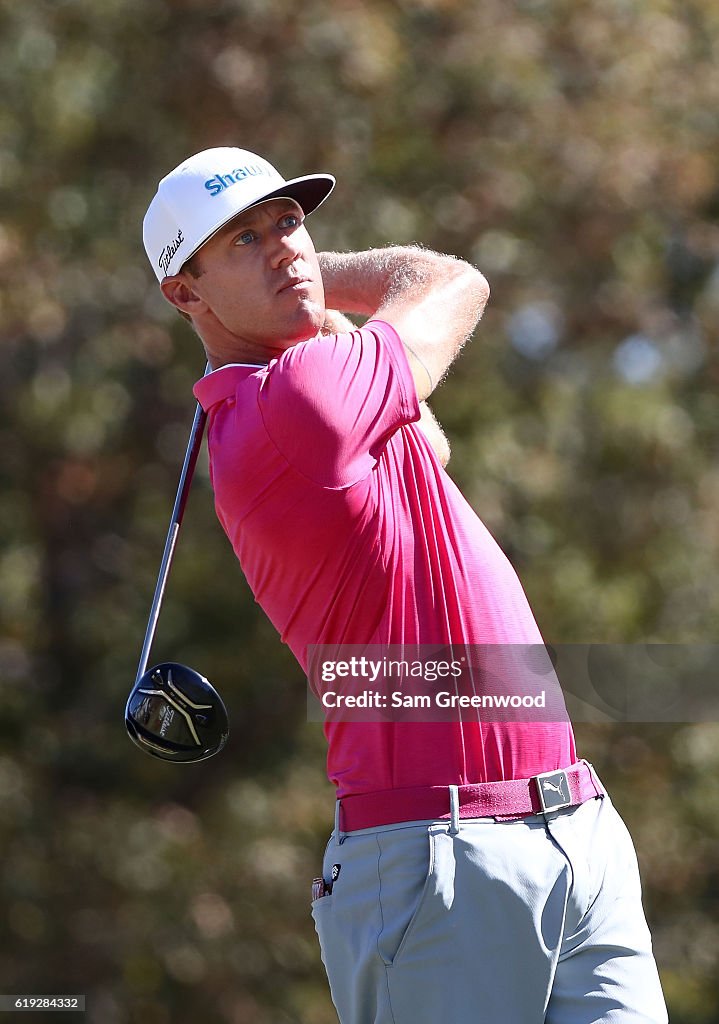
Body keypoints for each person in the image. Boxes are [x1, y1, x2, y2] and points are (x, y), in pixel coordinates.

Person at [142, 147, 668, 1024]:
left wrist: (296, 284)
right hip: (438, 860)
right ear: (184, 294)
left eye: (289, 225)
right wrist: (326, 279)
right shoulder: (298, 402)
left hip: (572, 827)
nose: (284, 249)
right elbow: (448, 280)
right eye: (242, 240)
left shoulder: (310, 394)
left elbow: (430, 448)